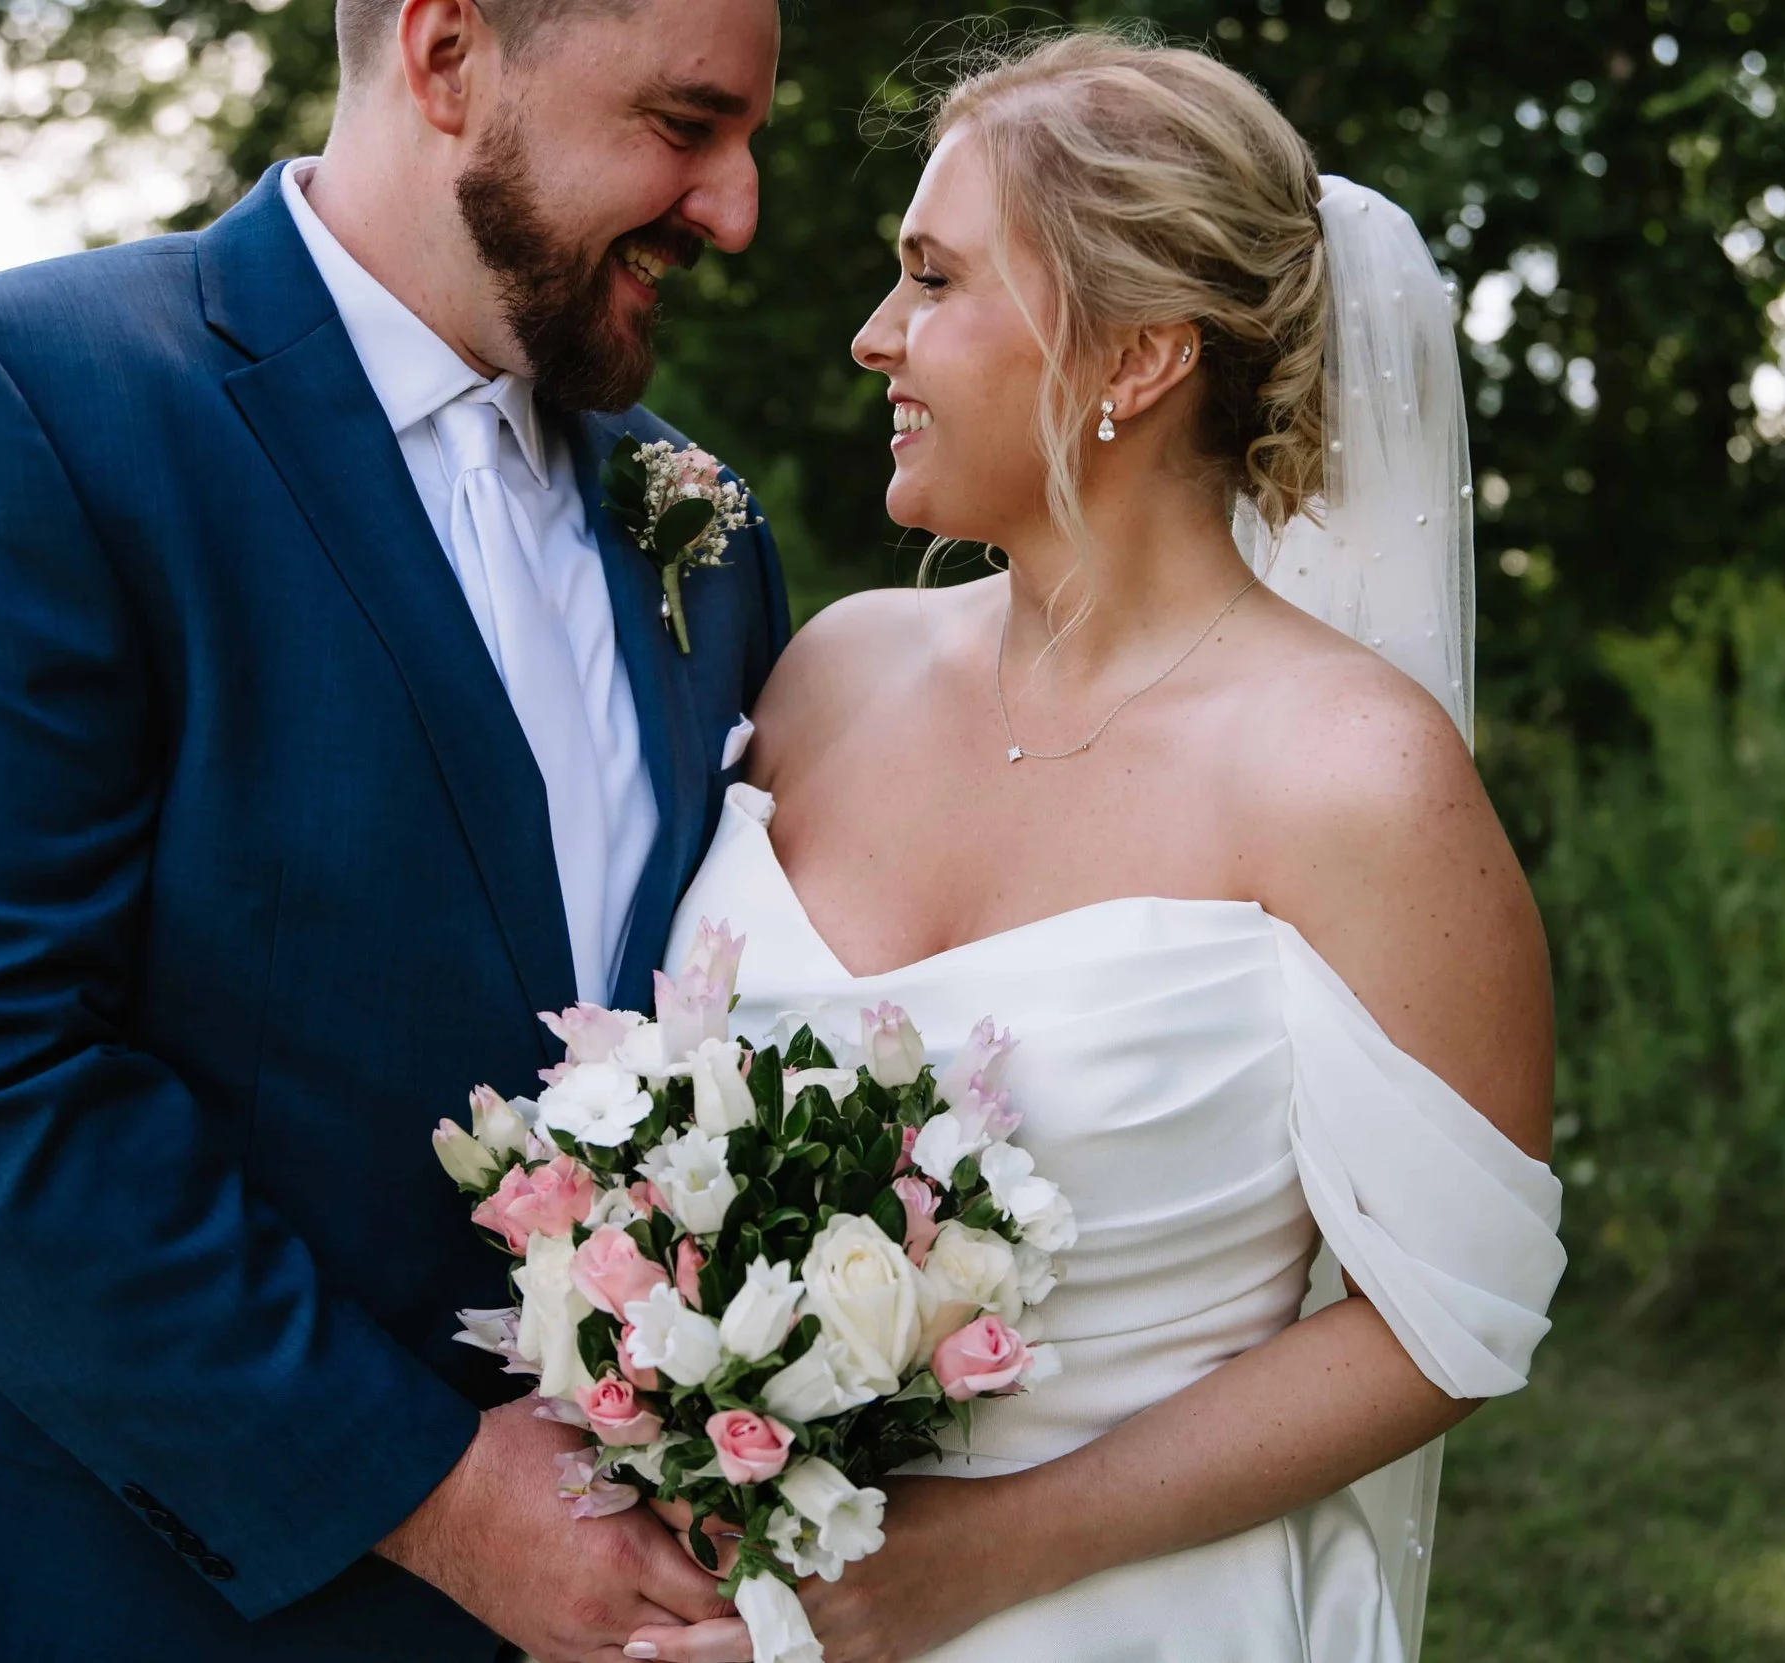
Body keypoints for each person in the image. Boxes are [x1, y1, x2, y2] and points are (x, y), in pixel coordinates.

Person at [0, 2, 787, 1658]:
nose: (737, 207)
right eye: (686, 124)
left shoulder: (700, 534)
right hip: (10, 1577)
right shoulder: (13, 401)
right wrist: (437, 1493)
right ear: (444, 57)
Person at [634, 30, 1566, 1662]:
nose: (874, 337)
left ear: (1135, 356)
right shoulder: (831, 669)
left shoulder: (1356, 772)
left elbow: (1450, 1315)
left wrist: (977, 1558)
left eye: (935, 280)